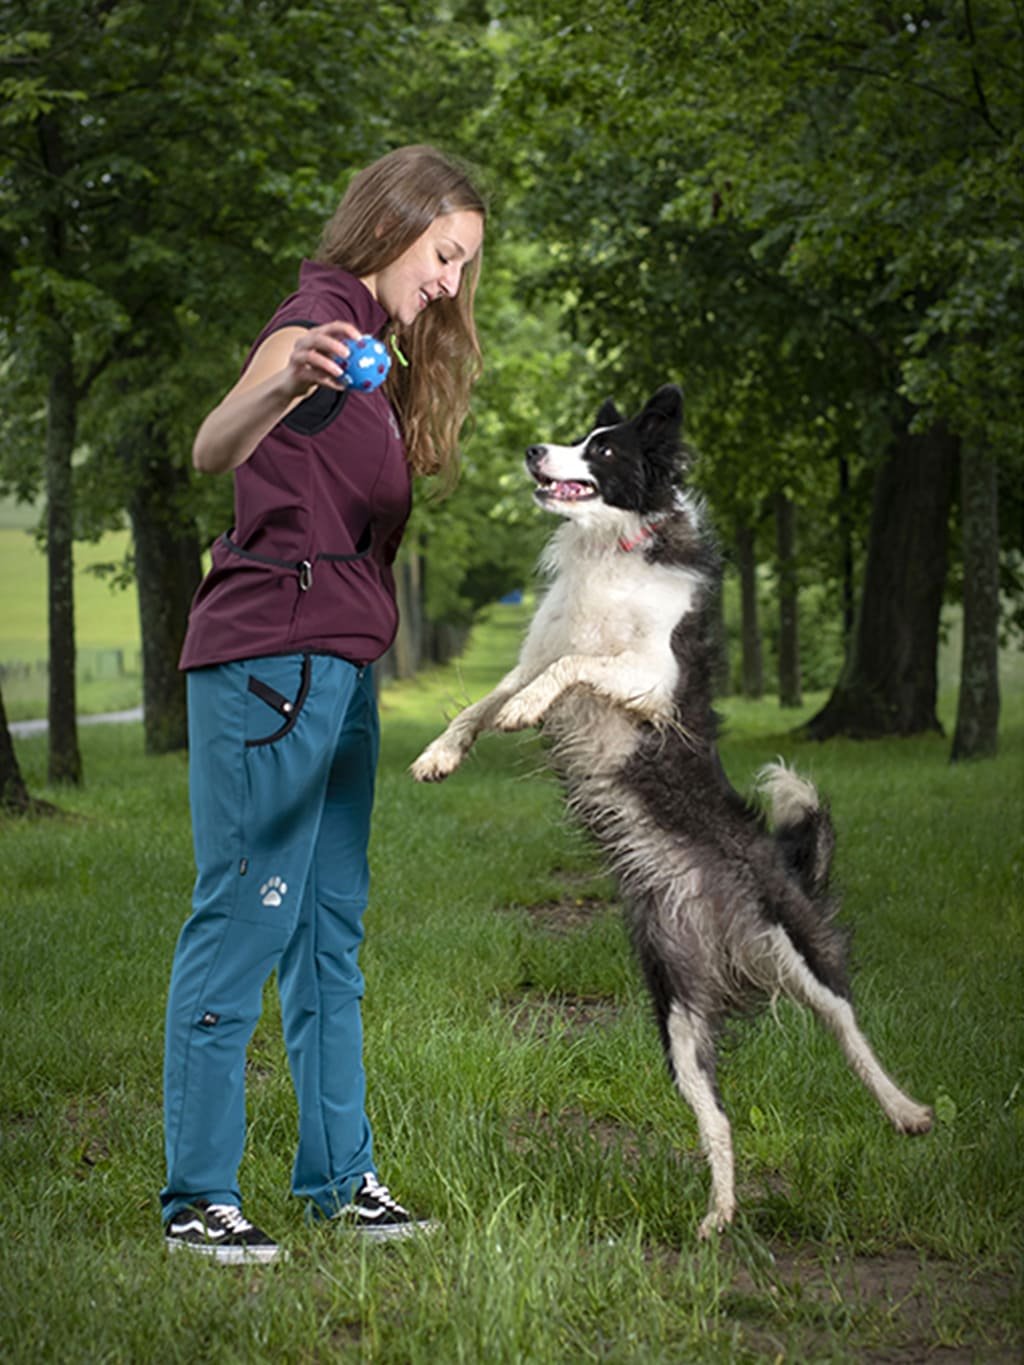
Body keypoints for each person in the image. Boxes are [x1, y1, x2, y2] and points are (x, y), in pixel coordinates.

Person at [160, 145, 486, 1264]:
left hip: (339, 670)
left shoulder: (380, 359)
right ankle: (198, 1195)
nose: (450, 281)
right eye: (443, 254)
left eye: (462, 265)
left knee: (326, 932)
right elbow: (212, 447)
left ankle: (340, 1178)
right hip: (269, 660)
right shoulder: (317, 320)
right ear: (393, 225)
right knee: (244, 915)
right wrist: (282, 374)